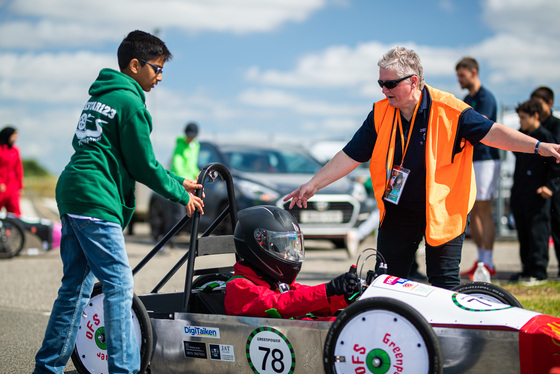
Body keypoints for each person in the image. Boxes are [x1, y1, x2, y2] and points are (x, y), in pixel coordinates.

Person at [284, 46, 560, 290]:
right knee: (387, 283)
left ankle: (448, 344)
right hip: (398, 208)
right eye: (380, 83)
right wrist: (313, 184)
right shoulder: (381, 113)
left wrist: (538, 146)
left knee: (443, 284)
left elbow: (494, 132)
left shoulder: (450, 110)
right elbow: (351, 154)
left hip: (443, 209)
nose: (384, 89)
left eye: (390, 83)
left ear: (413, 81)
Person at [34, 30, 204, 374]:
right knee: (119, 284)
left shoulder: (103, 97)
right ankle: (123, 370)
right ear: (134, 65)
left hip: (73, 192)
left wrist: (175, 179)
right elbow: (141, 164)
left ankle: (47, 368)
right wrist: (180, 195)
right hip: (96, 198)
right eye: (156, 69)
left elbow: (126, 156)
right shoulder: (131, 103)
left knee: (75, 289)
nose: (159, 77)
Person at [225, 205, 359, 320]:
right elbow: (281, 304)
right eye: (283, 247)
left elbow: (305, 297)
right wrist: (327, 289)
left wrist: (342, 295)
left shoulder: (274, 281)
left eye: (291, 247)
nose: (288, 253)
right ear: (258, 246)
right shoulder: (239, 287)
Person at [455, 57, 500, 279]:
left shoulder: (486, 98)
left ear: (474, 72)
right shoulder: (467, 98)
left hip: (486, 159)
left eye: (462, 75)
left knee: (483, 209)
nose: (459, 79)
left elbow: (481, 125)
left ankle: (488, 262)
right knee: (474, 210)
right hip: (472, 158)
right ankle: (481, 261)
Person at [509, 99, 560, 283]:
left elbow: (557, 166)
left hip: (538, 195)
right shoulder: (522, 137)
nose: (520, 121)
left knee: (538, 233)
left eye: (523, 118)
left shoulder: (545, 136)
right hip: (521, 193)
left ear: (535, 116)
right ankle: (527, 269)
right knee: (524, 234)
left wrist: (550, 187)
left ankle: (539, 272)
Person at [530, 87, 560, 276]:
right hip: (539, 187)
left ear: (549, 103)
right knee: (539, 231)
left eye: (538, 103)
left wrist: (552, 186)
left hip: (554, 186)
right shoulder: (533, 127)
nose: (536, 107)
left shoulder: (556, 126)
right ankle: (539, 269)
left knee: (558, 228)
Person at [0, 126, 24, 217]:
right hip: (1, 185)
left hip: (12, 185)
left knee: (15, 211)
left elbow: (19, 169)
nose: (15, 139)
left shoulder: (15, 150)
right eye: (14, 136)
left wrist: (20, 186)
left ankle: (12, 230)